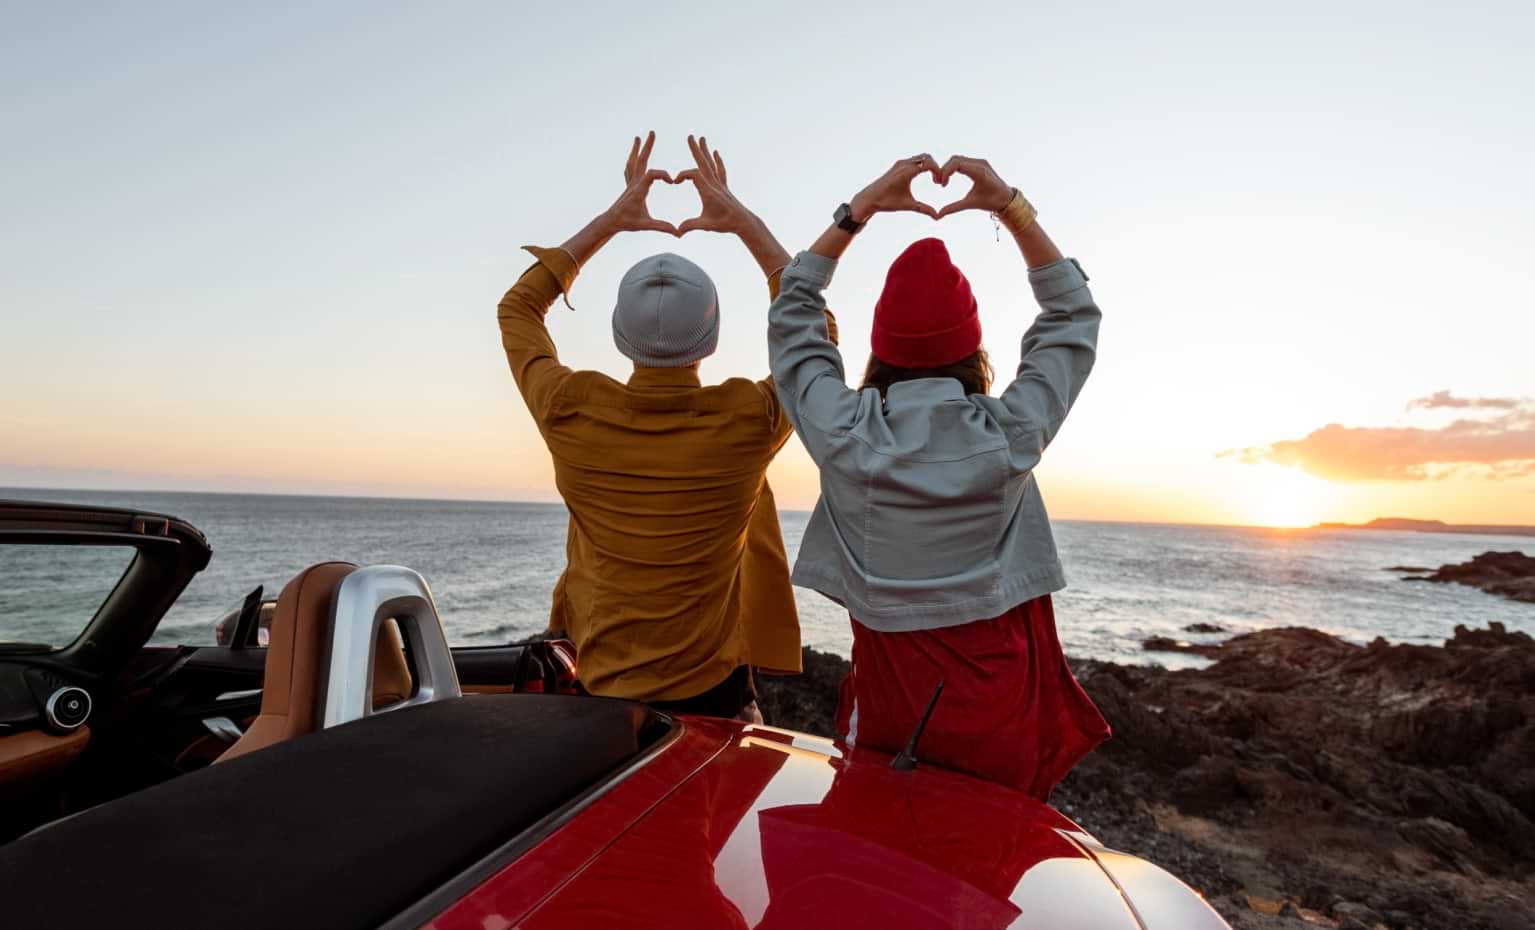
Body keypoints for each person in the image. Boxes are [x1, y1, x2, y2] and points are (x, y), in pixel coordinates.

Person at [766, 153, 1109, 797]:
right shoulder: (1011, 435)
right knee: (991, 852)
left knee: (881, 843)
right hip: (999, 702)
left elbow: (793, 312)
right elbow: (1072, 315)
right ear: (973, 351)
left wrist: (860, 209)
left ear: (881, 350)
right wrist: (1011, 208)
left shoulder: (843, 434)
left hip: (893, 704)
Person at [496, 132, 836, 721]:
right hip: (716, 693)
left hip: (601, 692)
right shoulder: (749, 419)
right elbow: (816, 331)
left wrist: (614, 218)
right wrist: (742, 221)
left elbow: (518, 308)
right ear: (712, 338)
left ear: (618, 335)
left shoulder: (569, 408)